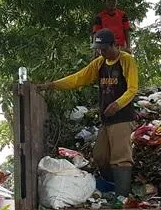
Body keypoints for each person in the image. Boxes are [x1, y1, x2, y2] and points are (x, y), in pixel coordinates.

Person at [38, 28, 138, 196]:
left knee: (121, 158)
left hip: (122, 117)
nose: (102, 52)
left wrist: (117, 104)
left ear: (114, 45)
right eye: (99, 49)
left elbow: (133, 88)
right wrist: (52, 85)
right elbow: (78, 78)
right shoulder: (99, 63)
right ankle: (114, 185)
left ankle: (122, 197)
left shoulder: (126, 60)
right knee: (100, 155)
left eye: (105, 49)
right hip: (106, 120)